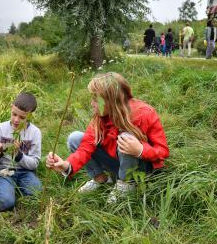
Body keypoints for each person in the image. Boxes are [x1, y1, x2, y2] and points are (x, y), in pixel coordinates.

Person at [46, 72, 169, 203]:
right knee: (75, 138)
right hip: (117, 163)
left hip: (140, 169)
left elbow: (163, 151)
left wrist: (140, 150)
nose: (92, 103)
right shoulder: (100, 117)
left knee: (127, 137)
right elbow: (85, 147)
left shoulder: (144, 113)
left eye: (96, 99)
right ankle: (101, 178)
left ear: (111, 100)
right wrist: (66, 165)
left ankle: (127, 183)